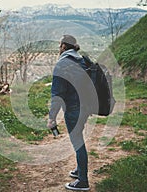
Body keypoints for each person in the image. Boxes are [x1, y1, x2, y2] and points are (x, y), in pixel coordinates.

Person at [47, 35, 91, 191]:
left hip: (73, 109)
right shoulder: (82, 60)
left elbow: (57, 95)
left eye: (60, 46)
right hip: (85, 107)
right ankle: (80, 170)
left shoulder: (63, 64)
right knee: (79, 138)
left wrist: (51, 118)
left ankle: (83, 181)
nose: (59, 48)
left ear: (64, 46)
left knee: (78, 142)